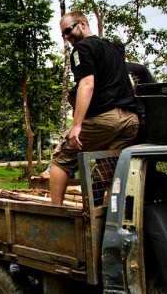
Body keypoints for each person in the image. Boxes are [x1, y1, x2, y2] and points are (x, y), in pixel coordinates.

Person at [50, 11, 139, 206]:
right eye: (63, 34)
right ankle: (108, 223)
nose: (67, 38)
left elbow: (87, 85)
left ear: (82, 23)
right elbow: (130, 83)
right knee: (110, 173)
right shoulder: (114, 48)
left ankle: (52, 216)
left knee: (61, 158)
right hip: (130, 122)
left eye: (68, 31)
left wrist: (77, 125)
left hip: (107, 120)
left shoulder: (82, 48)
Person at [114, 40, 157, 144]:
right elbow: (155, 91)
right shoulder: (140, 69)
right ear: (124, 56)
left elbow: (154, 90)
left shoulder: (107, 73)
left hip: (122, 120)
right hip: (140, 119)